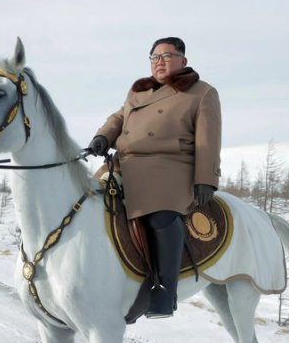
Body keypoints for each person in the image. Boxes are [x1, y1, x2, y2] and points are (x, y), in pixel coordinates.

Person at [89, 37, 221, 318]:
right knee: (87, 203)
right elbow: (119, 117)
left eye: (167, 56)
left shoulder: (202, 93)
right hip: (124, 163)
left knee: (160, 216)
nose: (159, 62)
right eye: (154, 57)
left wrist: (206, 178)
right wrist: (103, 135)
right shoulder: (140, 90)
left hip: (169, 167)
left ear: (183, 61)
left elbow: (208, 140)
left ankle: (163, 292)